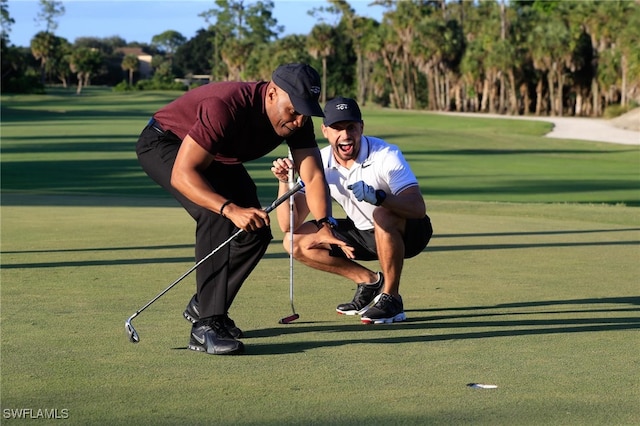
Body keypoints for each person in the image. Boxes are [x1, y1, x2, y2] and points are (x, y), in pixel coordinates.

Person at [136, 63, 334, 355]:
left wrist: (325, 223)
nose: (299, 120)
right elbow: (183, 174)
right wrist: (228, 208)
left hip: (215, 154)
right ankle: (206, 327)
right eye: (293, 110)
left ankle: (205, 305)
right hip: (165, 143)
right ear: (271, 94)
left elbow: (314, 175)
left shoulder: (297, 120)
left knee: (256, 229)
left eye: (306, 111)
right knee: (214, 213)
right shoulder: (225, 107)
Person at [270, 96, 433, 324]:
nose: (345, 135)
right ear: (325, 130)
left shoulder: (385, 155)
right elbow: (289, 224)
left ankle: (391, 298)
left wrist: (380, 197)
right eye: (337, 128)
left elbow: (417, 208)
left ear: (361, 127)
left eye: (351, 127)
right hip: (364, 234)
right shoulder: (320, 161)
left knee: (382, 214)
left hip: (409, 233)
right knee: (293, 240)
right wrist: (284, 182)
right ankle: (370, 282)